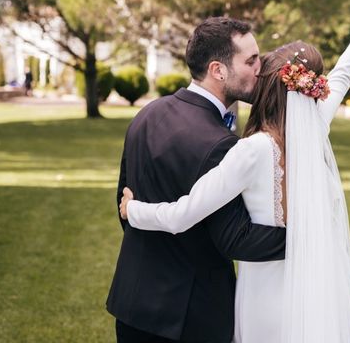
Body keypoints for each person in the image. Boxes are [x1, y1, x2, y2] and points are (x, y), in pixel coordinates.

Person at [119, 0, 350, 342]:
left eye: (259, 64)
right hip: (310, 291)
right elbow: (344, 72)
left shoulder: (250, 150)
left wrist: (133, 210)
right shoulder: (316, 122)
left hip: (262, 295)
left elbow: (182, 215)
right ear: (309, 87)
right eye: (252, 61)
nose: (255, 68)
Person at [106, 17, 287, 343]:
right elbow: (236, 239)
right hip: (190, 318)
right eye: (250, 60)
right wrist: (306, 237)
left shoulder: (147, 114)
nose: (260, 69)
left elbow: (125, 201)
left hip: (132, 305)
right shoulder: (221, 144)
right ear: (218, 70)